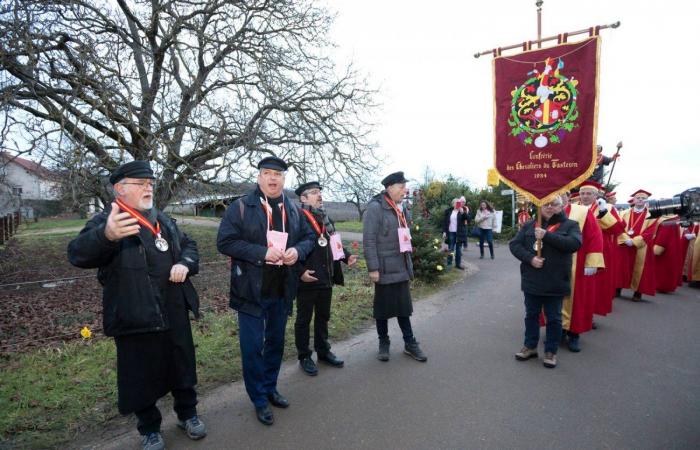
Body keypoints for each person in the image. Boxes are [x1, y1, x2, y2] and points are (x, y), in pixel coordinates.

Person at [67, 161, 206, 450]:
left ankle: (188, 414)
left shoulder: (162, 219)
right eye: (140, 183)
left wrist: (185, 263)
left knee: (181, 364)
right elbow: (77, 254)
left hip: (173, 306)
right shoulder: (109, 220)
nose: (148, 187)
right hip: (134, 312)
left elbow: (190, 245)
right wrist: (105, 236)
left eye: (150, 183)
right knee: (140, 374)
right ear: (120, 189)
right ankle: (150, 429)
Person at [216, 156, 315, 426]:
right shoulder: (241, 207)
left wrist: (297, 251)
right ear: (259, 177)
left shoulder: (293, 210)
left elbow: (309, 239)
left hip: (282, 287)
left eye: (278, 174)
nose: (273, 179)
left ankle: (270, 387)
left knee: (275, 343)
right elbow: (224, 242)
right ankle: (258, 399)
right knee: (252, 348)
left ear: (284, 179)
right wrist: (262, 253)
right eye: (267, 173)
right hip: (251, 289)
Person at [294, 181, 358, 376]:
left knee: (323, 316)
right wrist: (299, 272)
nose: (319, 196)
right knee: (304, 319)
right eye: (314, 193)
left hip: (326, 276)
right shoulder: (297, 218)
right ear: (303, 198)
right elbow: (289, 248)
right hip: (308, 277)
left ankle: (323, 351)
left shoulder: (324, 217)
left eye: (320, 192)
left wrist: (347, 257)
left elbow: (333, 241)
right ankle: (304, 356)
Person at [510, 196, 582, 369]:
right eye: (546, 204)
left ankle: (551, 351)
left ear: (561, 206)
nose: (550, 207)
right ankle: (530, 347)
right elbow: (514, 245)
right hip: (532, 279)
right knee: (531, 315)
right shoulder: (530, 225)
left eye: (554, 204)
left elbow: (574, 244)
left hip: (555, 280)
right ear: (540, 206)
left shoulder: (570, 225)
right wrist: (530, 259)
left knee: (554, 319)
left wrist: (547, 236)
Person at [363, 171, 427, 362]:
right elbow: (369, 240)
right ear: (389, 188)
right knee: (382, 309)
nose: (404, 190)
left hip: (401, 266)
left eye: (404, 186)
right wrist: (373, 268)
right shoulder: (375, 208)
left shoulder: (403, 208)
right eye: (401, 187)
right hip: (383, 268)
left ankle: (410, 343)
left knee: (403, 307)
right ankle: (384, 342)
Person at [559, 191, 604, 352]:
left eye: (561, 194)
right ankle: (559, 331)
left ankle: (574, 334)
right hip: (553, 267)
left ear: (568, 196)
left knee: (576, 299)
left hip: (577, 264)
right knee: (554, 299)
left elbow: (595, 236)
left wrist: (592, 261)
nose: (557, 197)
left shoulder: (583, 212)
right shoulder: (546, 211)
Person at [577, 181, 625, 318]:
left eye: (589, 194)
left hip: (600, 250)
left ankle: (590, 314)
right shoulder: (575, 208)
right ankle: (578, 312)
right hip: (578, 249)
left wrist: (604, 213)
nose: (585, 196)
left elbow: (618, 230)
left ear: (596, 195)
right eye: (582, 193)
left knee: (596, 285)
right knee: (580, 284)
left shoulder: (607, 208)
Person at [616, 189, 660, 301]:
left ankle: (637, 292)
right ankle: (618, 288)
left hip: (642, 246)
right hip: (625, 244)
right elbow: (619, 227)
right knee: (622, 267)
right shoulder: (624, 213)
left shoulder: (652, 215)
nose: (640, 200)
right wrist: (625, 239)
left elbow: (650, 231)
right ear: (634, 200)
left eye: (643, 198)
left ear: (646, 201)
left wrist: (634, 241)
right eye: (638, 198)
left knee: (641, 269)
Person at [653, 215, 683, 293]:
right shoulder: (675, 218)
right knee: (669, 266)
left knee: (662, 266)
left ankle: (662, 285)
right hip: (672, 245)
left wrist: (657, 247)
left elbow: (663, 236)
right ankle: (667, 285)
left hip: (664, 247)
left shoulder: (668, 220)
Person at [442, 198, 469, 269]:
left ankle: (458, 264)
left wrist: (463, 212)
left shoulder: (462, 211)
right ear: (453, 204)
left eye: (459, 203)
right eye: (456, 203)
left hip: (459, 233)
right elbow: (445, 222)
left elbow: (468, 219)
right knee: (451, 249)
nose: (457, 204)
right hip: (451, 232)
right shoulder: (448, 211)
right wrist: (444, 231)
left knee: (458, 250)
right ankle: (449, 264)